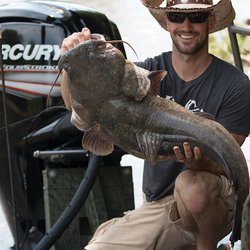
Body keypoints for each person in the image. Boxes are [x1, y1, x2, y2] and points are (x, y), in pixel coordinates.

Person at [60, 0, 250, 249]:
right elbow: (73, 105)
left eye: (196, 16)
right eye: (176, 16)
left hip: (217, 199)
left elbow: (229, 157)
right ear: (167, 22)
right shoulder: (142, 73)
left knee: (191, 185)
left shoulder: (236, 85)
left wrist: (198, 163)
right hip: (160, 205)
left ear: (211, 21)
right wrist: (70, 63)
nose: (186, 25)